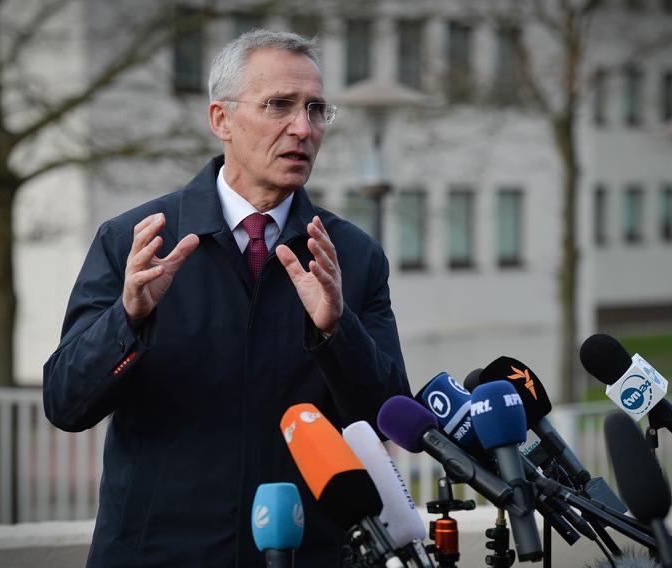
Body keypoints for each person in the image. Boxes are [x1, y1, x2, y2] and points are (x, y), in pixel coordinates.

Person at [42, 30, 410, 567]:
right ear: (221, 120)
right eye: (279, 105)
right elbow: (65, 404)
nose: (302, 128)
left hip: (303, 554)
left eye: (315, 109)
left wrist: (337, 330)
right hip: (155, 555)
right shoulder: (137, 242)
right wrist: (128, 319)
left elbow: (386, 420)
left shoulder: (351, 256)